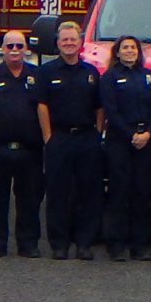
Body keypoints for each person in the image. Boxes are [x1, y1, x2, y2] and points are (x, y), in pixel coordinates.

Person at [0, 30, 46, 257]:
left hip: (30, 149)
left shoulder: (37, 77)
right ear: (2, 49)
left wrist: (48, 141)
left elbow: (44, 110)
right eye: (10, 46)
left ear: (26, 49)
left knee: (30, 199)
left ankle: (28, 244)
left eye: (19, 46)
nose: (14, 50)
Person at [35, 20, 105, 259]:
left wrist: (96, 133)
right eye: (64, 40)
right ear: (57, 43)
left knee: (88, 192)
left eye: (73, 39)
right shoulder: (46, 72)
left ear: (80, 43)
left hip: (86, 138)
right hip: (59, 138)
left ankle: (84, 243)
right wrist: (48, 136)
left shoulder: (91, 73)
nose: (68, 43)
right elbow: (41, 106)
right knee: (57, 193)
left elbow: (99, 107)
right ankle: (59, 244)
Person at [98, 35, 151, 260]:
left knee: (141, 193)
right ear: (117, 52)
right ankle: (116, 246)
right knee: (119, 192)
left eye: (133, 47)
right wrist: (131, 135)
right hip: (120, 140)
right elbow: (110, 111)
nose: (129, 51)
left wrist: (148, 133)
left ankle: (139, 246)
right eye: (125, 47)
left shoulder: (148, 76)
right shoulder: (109, 77)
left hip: (146, 140)